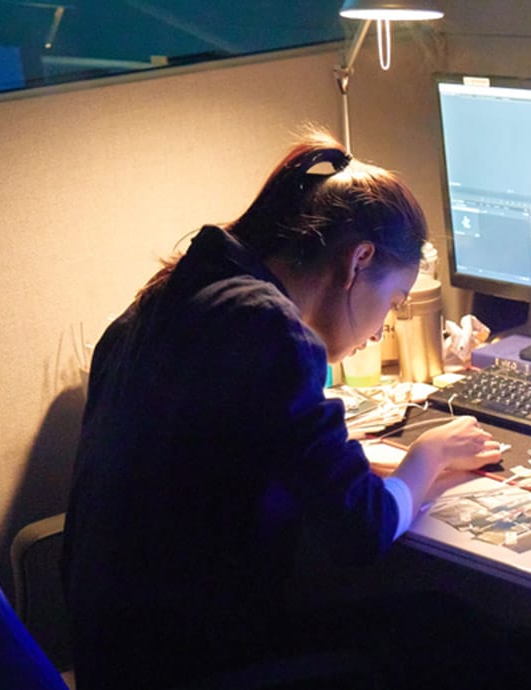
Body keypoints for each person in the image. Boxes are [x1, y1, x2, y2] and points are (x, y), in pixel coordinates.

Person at [61, 128, 504, 689]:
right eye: (392, 303)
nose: (380, 330)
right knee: (454, 630)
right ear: (358, 260)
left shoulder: (169, 302)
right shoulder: (270, 331)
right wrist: (426, 459)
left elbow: (230, 455)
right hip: (194, 663)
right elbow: (360, 531)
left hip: (119, 657)